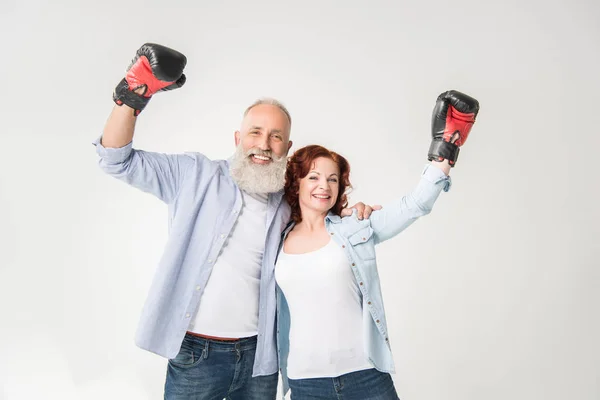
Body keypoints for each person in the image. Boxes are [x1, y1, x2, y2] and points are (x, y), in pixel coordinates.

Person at [93, 43, 376, 400]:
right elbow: (116, 159)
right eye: (256, 133)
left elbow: (324, 219)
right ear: (238, 139)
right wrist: (132, 97)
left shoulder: (288, 203)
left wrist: (352, 212)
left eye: (276, 137)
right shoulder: (194, 175)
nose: (264, 144)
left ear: (286, 149)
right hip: (197, 354)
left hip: (260, 357)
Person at [275, 90, 480, 399]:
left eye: (333, 179)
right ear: (297, 182)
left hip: (365, 375)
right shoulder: (276, 237)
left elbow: (414, 205)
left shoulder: (355, 227)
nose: (324, 186)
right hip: (306, 382)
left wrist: (445, 150)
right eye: (314, 177)